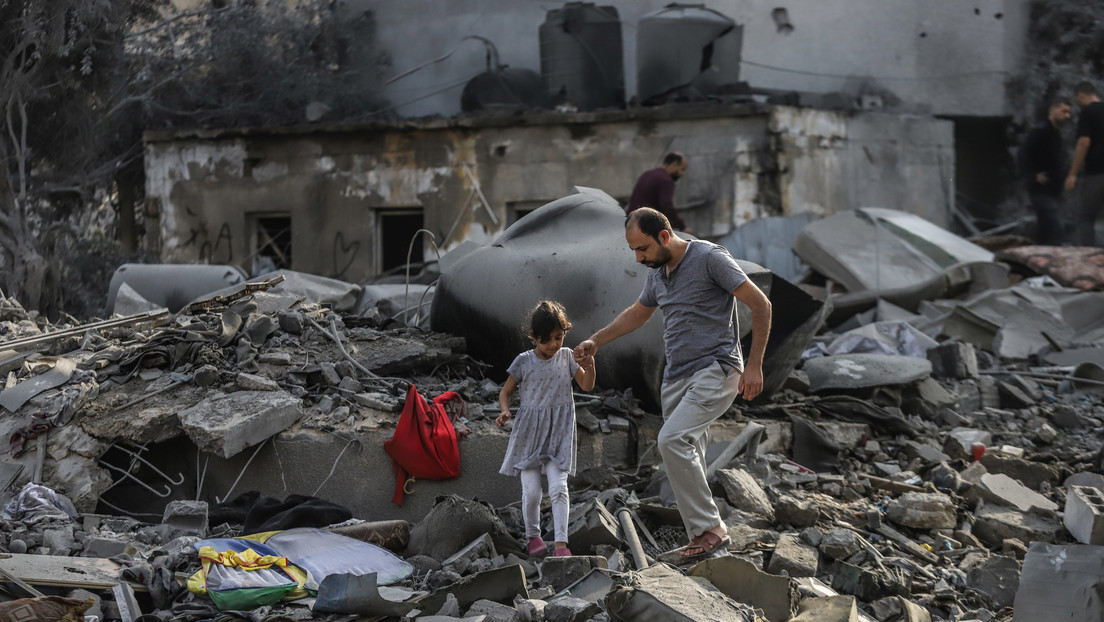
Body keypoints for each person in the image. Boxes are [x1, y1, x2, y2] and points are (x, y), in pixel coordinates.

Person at [573, 208, 772, 561]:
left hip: (716, 368)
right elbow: (637, 313)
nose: (638, 258)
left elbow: (761, 304)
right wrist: (597, 340)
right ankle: (705, 543)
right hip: (676, 377)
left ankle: (712, 529)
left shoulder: (710, 258)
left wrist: (754, 365)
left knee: (672, 440)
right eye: (633, 250)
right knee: (688, 450)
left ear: (664, 236)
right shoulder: (658, 274)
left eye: (643, 249)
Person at [496, 300, 596, 558]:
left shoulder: (567, 357)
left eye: (559, 337)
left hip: (559, 433)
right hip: (529, 435)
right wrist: (504, 410)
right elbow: (505, 392)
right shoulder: (523, 362)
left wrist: (591, 365)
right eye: (548, 339)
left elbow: (586, 385)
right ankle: (534, 537)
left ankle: (561, 546)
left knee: (558, 488)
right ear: (534, 337)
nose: (554, 344)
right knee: (531, 493)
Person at [1018, 97, 1071, 245]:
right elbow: (1023, 154)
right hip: (1041, 190)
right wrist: (1033, 175)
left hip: (1052, 190)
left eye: (1068, 112)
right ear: (1053, 110)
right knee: (1055, 229)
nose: (1067, 116)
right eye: (1064, 111)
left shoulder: (1055, 135)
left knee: (1047, 229)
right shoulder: (1040, 132)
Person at [1065, 81, 1104, 246]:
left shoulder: (1088, 112)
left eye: (1077, 100)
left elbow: (1084, 142)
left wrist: (1072, 174)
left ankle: (1088, 259)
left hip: (1097, 173)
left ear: (1081, 95)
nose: (1078, 104)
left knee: (1085, 218)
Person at [626, 152, 693, 234]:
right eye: (682, 169)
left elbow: (634, 199)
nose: (683, 173)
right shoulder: (666, 180)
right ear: (675, 165)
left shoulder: (647, 174)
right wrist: (682, 227)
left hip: (631, 223)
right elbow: (666, 205)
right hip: (647, 226)